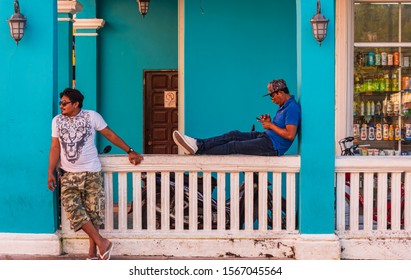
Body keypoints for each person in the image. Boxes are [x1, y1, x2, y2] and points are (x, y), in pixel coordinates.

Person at [47, 88, 144, 260]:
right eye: (60, 102)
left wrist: (129, 150)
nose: (61, 106)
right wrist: (50, 171)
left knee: (94, 212)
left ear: (76, 104)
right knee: (73, 210)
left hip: (92, 171)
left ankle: (93, 252)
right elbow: (55, 147)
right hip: (68, 174)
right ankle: (102, 242)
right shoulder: (57, 121)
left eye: (64, 103)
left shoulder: (92, 116)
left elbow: (109, 135)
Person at [173, 78, 301, 156]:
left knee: (234, 146)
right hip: (267, 137)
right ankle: (198, 144)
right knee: (233, 134)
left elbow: (290, 135)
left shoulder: (292, 108)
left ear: (280, 92)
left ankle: (198, 150)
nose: (272, 100)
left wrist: (271, 125)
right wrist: (268, 122)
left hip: (272, 147)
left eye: (272, 96)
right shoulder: (284, 106)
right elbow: (279, 128)